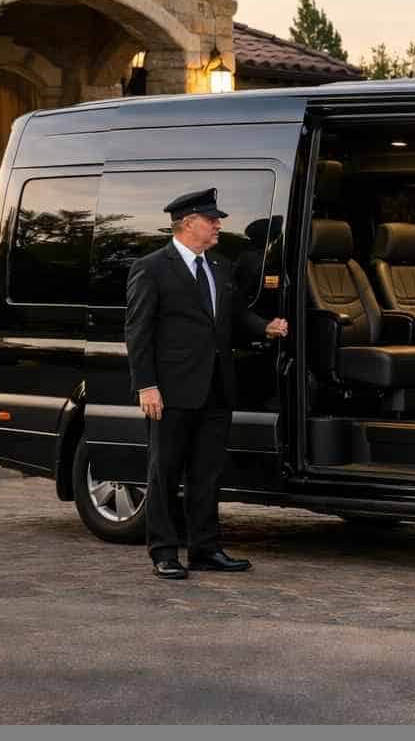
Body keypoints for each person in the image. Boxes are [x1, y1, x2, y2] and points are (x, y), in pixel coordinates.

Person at [125, 187, 288, 580]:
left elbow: (231, 317)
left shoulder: (219, 267)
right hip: (172, 391)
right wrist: (146, 385)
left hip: (216, 388)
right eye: (211, 220)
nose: (218, 226)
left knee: (208, 473)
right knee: (165, 472)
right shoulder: (152, 268)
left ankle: (204, 548)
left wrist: (264, 327)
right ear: (187, 224)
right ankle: (164, 551)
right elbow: (138, 331)